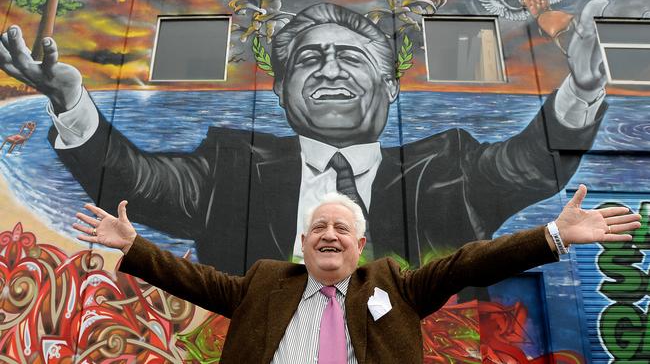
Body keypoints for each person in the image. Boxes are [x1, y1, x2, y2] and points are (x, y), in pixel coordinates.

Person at [0, 1, 610, 273]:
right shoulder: (228, 166)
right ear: (282, 93)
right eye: (310, 60)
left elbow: (526, 166)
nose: (330, 70)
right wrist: (69, 99)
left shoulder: (446, 168)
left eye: (350, 57)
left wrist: (580, 90)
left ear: (389, 91)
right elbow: (135, 180)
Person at [73, 185, 640, 363]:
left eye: (341, 228)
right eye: (319, 226)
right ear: (303, 241)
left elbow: (471, 261)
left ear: (360, 244)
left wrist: (554, 235)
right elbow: (192, 280)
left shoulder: (393, 284)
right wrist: (135, 246)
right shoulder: (266, 282)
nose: (329, 234)